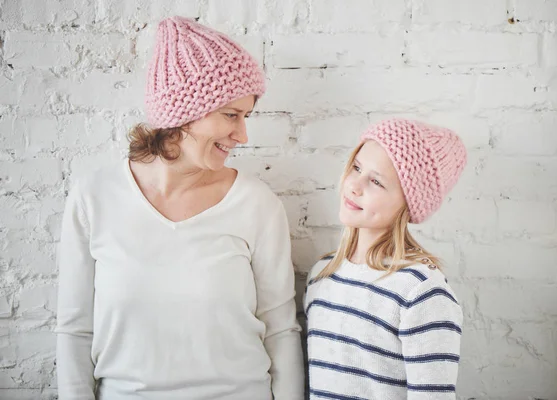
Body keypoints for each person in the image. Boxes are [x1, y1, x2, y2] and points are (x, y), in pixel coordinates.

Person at [55, 16, 304, 400]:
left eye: (246, 116)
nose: (242, 135)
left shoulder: (256, 203)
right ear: (182, 115)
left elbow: (281, 329)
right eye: (230, 115)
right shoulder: (94, 198)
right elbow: (75, 331)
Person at [304, 118, 467, 399]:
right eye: (356, 167)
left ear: (408, 203)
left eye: (376, 181)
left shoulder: (421, 292)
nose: (354, 185)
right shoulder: (322, 274)